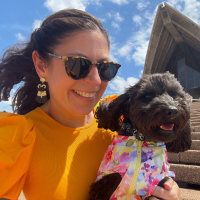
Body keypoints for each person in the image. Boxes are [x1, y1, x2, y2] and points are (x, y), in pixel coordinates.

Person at [0, 9, 181, 200]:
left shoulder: (120, 120)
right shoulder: (14, 135)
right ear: (41, 65)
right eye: (78, 65)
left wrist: (168, 190)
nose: (95, 80)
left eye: (105, 68)